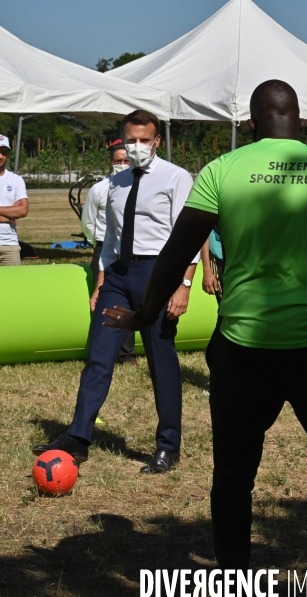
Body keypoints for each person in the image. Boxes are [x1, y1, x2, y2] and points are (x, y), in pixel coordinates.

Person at [103, 82, 307, 597]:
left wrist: (145, 312)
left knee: (234, 475)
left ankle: (236, 583)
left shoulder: (222, 170)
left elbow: (177, 253)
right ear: (301, 124)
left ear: (251, 125)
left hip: (243, 349)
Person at [33, 109, 198, 474]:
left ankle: (168, 446)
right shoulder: (115, 183)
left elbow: (187, 237)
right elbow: (110, 238)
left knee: (161, 362)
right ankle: (77, 438)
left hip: (158, 274)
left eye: (144, 140)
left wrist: (184, 285)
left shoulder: (176, 177)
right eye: (131, 140)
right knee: (99, 357)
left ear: (156, 141)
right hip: (119, 276)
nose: (137, 147)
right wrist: (101, 282)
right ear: (122, 140)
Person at [81, 139, 137, 365]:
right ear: (110, 162)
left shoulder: (138, 186)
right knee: (103, 299)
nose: (122, 164)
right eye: (118, 161)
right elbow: (88, 222)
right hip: (105, 248)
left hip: (132, 250)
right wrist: (100, 241)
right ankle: (101, 352)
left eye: (126, 160)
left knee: (130, 300)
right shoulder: (99, 189)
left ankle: (127, 354)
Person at [0, 135, 29, 265]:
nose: (1, 156)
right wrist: (9, 214)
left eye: (4, 153)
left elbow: (23, 210)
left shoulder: (16, 180)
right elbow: (17, 211)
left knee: (12, 284)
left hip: (9, 244)